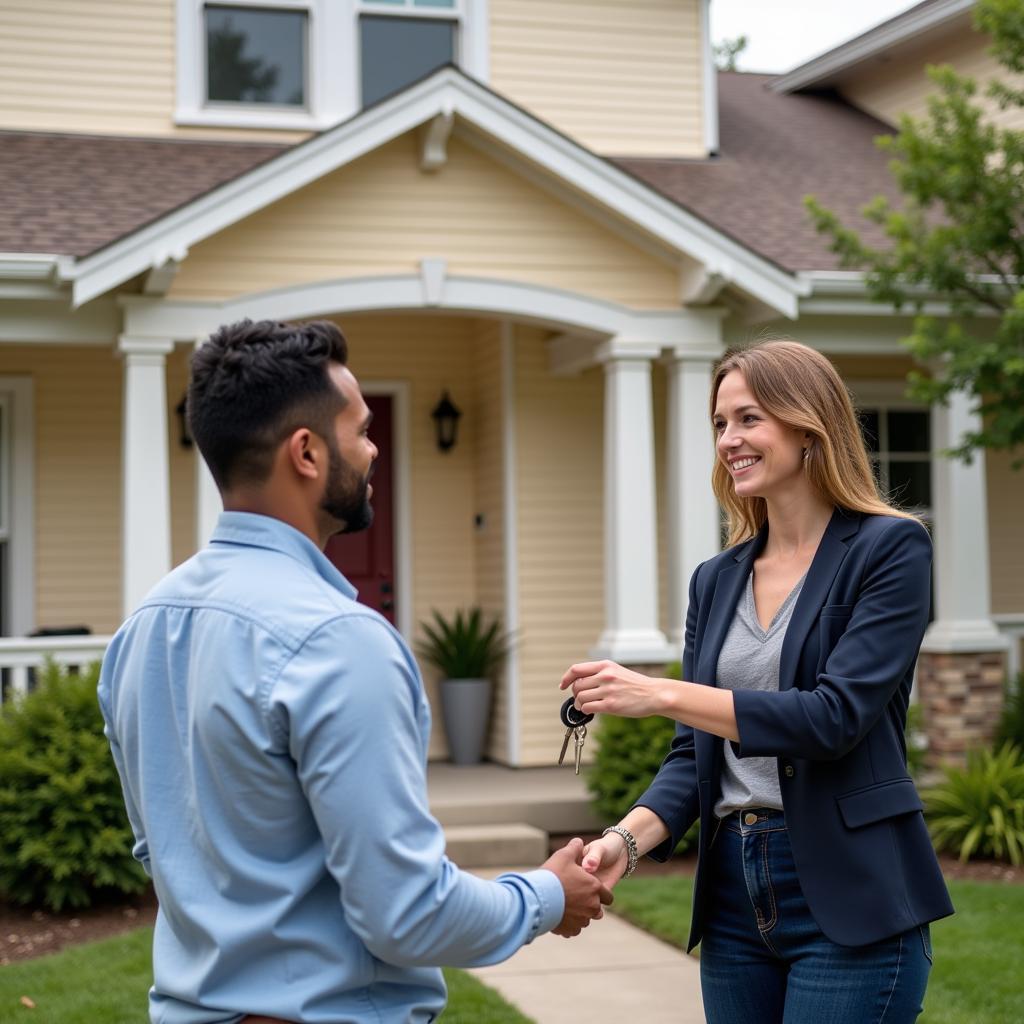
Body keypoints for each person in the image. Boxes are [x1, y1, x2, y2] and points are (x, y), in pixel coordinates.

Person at [99, 318, 612, 1024]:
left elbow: (162, 853)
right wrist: (547, 897)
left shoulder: (144, 627)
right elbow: (407, 914)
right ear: (306, 453)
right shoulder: (339, 642)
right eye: (362, 430)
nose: (374, 451)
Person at [560, 339, 953, 1023]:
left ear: (808, 426)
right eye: (719, 424)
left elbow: (832, 719)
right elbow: (695, 756)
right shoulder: (715, 581)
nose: (728, 440)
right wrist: (623, 841)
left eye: (748, 418)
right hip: (734, 900)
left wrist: (659, 693)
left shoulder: (891, 550)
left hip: (850, 894)